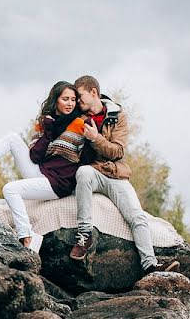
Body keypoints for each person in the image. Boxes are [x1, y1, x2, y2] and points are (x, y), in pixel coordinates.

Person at [0, 81, 88, 250]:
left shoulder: (79, 123)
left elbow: (85, 157)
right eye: (65, 99)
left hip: (59, 183)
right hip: (40, 172)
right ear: (56, 100)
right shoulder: (45, 123)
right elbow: (35, 156)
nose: (70, 103)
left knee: (10, 189)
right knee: (12, 138)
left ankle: (27, 236)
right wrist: (48, 132)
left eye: (72, 99)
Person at [68, 75, 179, 274]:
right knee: (83, 172)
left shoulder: (117, 115)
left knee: (137, 217)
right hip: (93, 172)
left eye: (80, 96)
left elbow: (117, 151)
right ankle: (85, 235)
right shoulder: (77, 117)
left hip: (115, 174)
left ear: (94, 92)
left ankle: (150, 265)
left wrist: (95, 138)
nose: (77, 101)